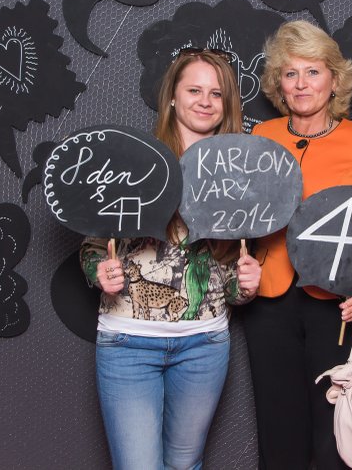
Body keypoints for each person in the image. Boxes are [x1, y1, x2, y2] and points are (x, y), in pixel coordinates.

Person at [80, 48, 262, 470]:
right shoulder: (135, 164)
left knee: (184, 464)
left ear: (227, 104)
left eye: (216, 93)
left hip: (204, 344)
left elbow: (230, 285)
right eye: (194, 90)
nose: (205, 101)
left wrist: (246, 285)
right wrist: (98, 271)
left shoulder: (237, 176)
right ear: (173, 98)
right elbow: (93, 246)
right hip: (129, 342)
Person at [243, 20, 352, 470]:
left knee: (337, 439)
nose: (301, 84)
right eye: (290, 73)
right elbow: (241, 216)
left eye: (312, 72)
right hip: (270, 301)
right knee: (279, 434)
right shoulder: (261, 137)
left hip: (338, 305)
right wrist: (242, 260)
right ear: (278, 83)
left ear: (334, 80)